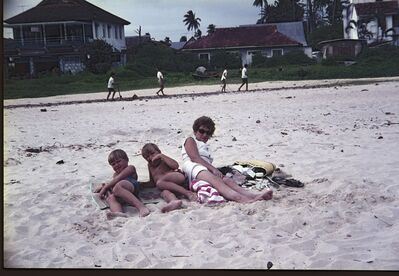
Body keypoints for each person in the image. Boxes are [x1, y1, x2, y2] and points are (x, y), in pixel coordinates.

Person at [181, 116, 273, 203]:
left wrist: (214, 170)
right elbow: (194, 158)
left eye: (208, 133)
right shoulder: (190, 140)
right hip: (192, 167)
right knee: (216, 180)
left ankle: (252, 195)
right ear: (195, 131)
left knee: (227, 180)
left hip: (203, 168)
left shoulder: (205, 146)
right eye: (201, 131)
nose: (205, 135)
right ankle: (242, 199)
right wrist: (213, 169)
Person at [141, 143, 198, 212]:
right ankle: (174, 201)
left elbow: (175, 165)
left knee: (159, 183)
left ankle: (188, 193)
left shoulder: (163, 160)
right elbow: (153, 182)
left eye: (152, 154)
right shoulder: (150, 166)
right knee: (164, 193)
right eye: (147, 157)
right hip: (167, 187)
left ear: (159, 152)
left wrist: (162, 156)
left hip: (177, 177)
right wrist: (142, 185)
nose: (150, 157)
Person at [94, 149, 150, 218]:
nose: (116, 165)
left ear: (127, 160)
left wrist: (106, 187)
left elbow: (118, 179)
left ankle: (141, 207)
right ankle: (119, 214)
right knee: (111, 197)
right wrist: (104, 187)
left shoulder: (130, 168)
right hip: (121, 195)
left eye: (118, 161)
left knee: (118, 187)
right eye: (113, 164)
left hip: (132, 188)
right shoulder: (115, 174)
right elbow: (113, 184)